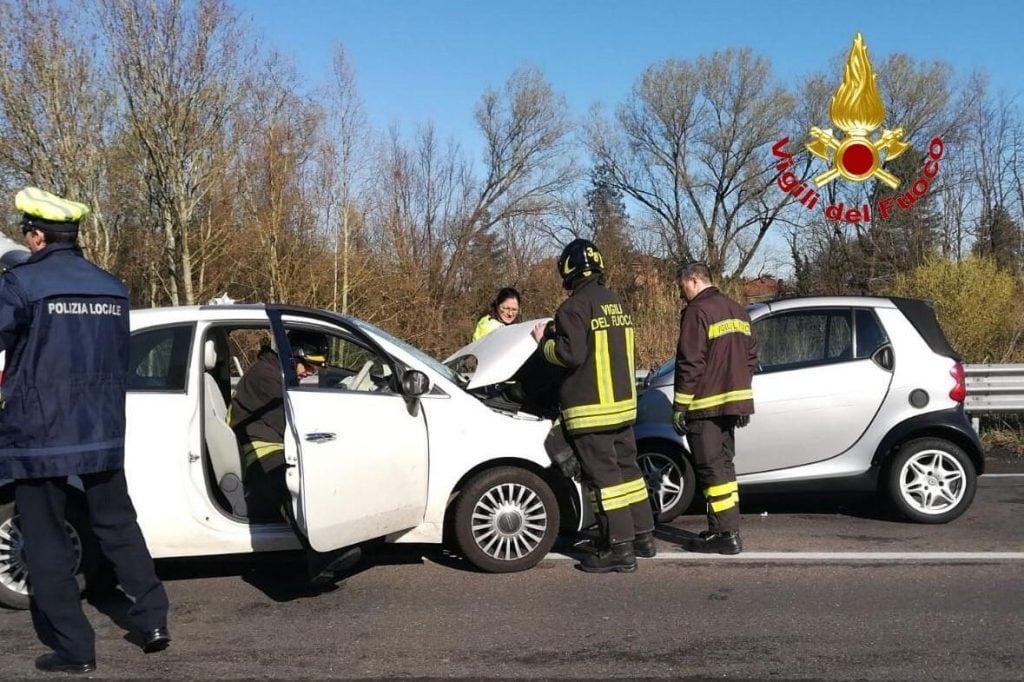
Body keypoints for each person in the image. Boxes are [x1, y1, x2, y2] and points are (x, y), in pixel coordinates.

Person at [0, 187, 170, 675]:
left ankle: (75, 649)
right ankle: (154, 620)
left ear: (35, 237)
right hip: (102, 430)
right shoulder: (112, 286)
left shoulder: (21, 285)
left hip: (39, 437)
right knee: (118, 526)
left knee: (47, 543)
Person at [532, 238, 654, 573]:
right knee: (629, 473)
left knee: (606, 481)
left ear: (568, 270)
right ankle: (643, 538)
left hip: (590, 410)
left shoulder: (573, 307)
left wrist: (544, 343)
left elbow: (570, 355)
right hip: (623, 407)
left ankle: (619, 550)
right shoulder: (616, 302)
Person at [229, 329, 360, 584]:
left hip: (269, 439)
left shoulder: (273, 372)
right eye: (308, 366)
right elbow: (293, 421)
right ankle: (319, 558)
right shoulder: (265, 377)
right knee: (289, 483)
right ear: (293, 357)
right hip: (259, 448)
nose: (310, 372)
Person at [671, 261, 758, 555]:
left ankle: (724, 535)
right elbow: (751, 357)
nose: (682, 294)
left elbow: (691, 362)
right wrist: (741, 400)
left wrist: (680, 405)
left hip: (705, 405)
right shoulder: (737, 309)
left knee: (711, 470)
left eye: (683, 287)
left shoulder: (698, 312)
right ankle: (727, 529)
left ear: (694, 280)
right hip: (732, 405)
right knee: (724, 467)